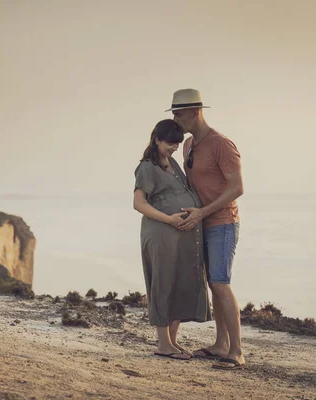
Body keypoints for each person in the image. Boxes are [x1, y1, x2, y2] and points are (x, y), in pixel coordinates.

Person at [166, 88, 245, 370]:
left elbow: (237, 188)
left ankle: (236, 351)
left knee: (220, 282)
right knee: (212, 283)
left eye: (179, 113)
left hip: (222, 222)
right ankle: (220, 344)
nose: (175, 118)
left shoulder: (221, 144)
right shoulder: (188, 145)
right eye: (173, 113)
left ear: (196, 112)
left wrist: (203, 213)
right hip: (199, 223)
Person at [133, 119, 212, 361]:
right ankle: (163, 344)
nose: (174, 147)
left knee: (180, 282)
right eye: (170, 143)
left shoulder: (173, 162)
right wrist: (169, 219)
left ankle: (173, 341)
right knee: (164, 282)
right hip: (161, 234)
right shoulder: (147, 167)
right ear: (156, 139)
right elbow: (139, 203)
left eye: (177, 144)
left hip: (181, 234)